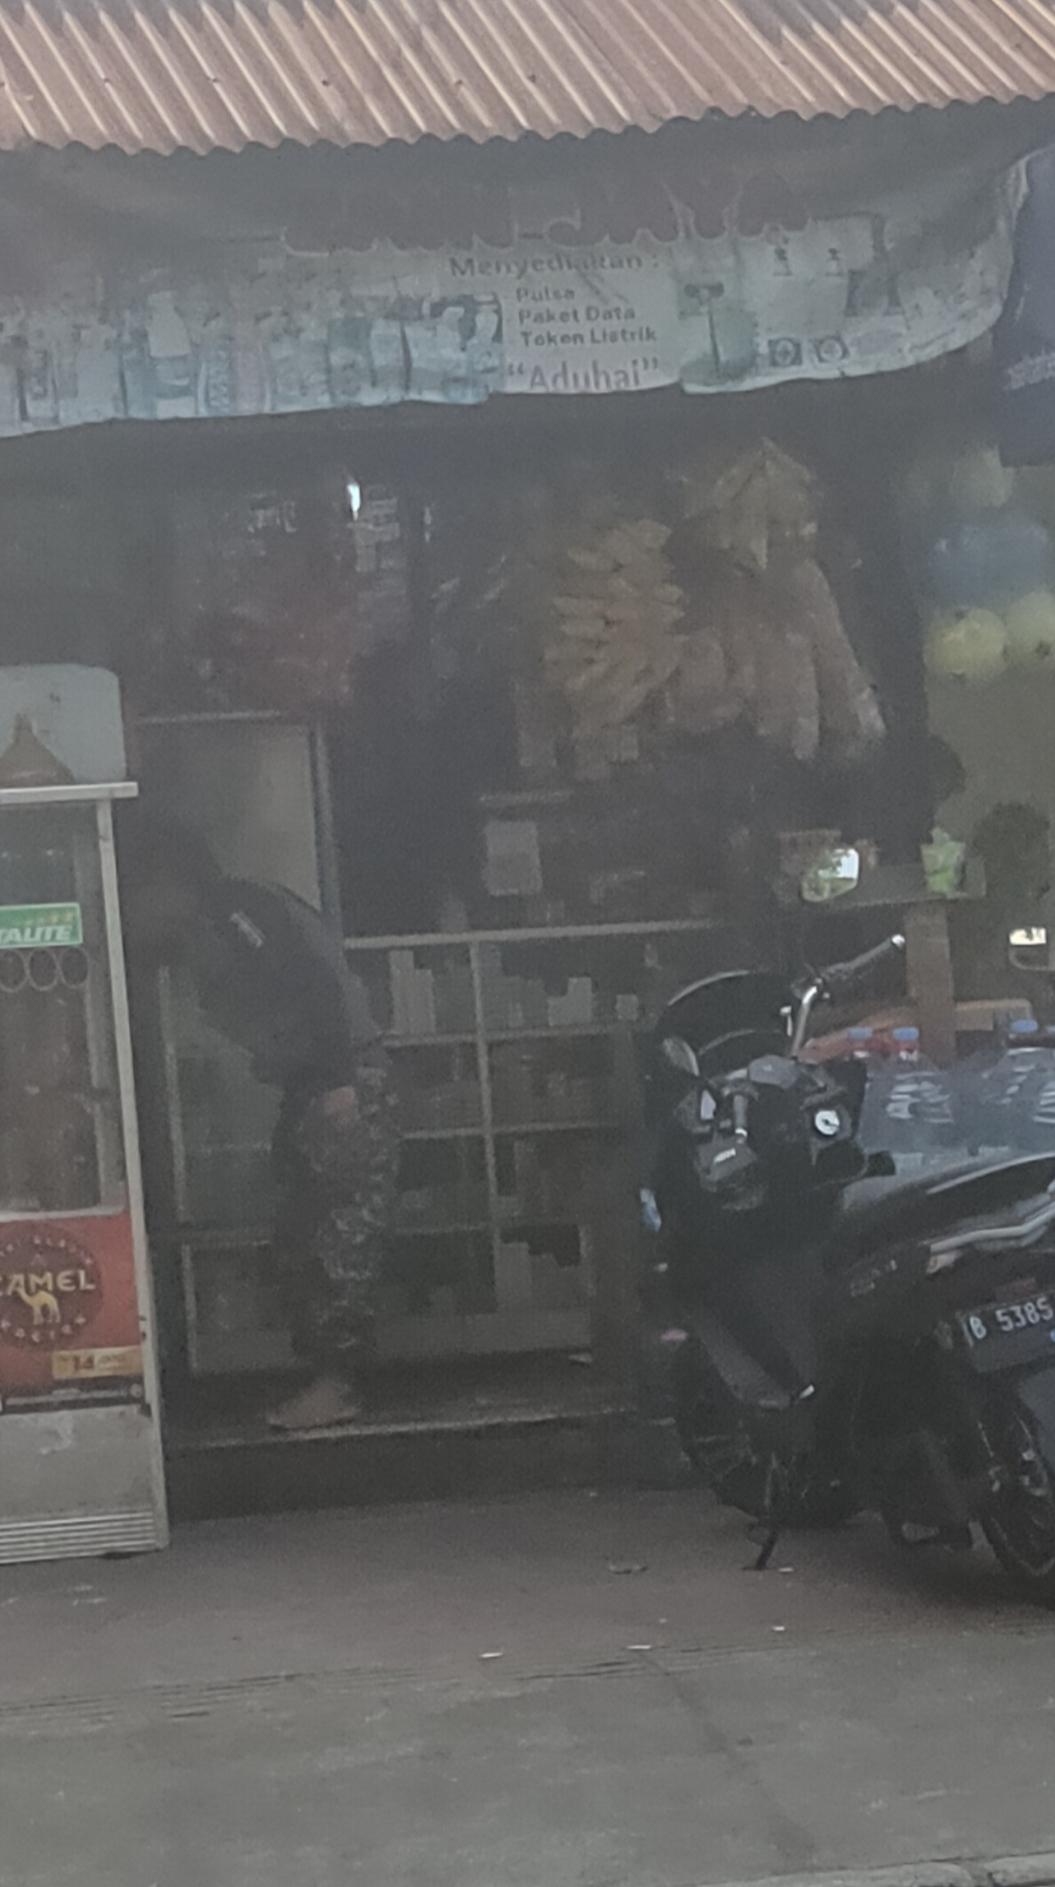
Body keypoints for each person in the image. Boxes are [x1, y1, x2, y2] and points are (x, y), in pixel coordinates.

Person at [120, 820, 400, 1431]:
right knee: (303, 1232)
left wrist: (338, 1082)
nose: (138, 908)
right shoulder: (208, 928)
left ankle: (341, 1385)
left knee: (337, 1238)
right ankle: (327, 1376)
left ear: (173, 882)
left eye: (142, 891)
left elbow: (312, 981)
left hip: (341, 1082)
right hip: (312, 1086)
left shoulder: (235, 914)